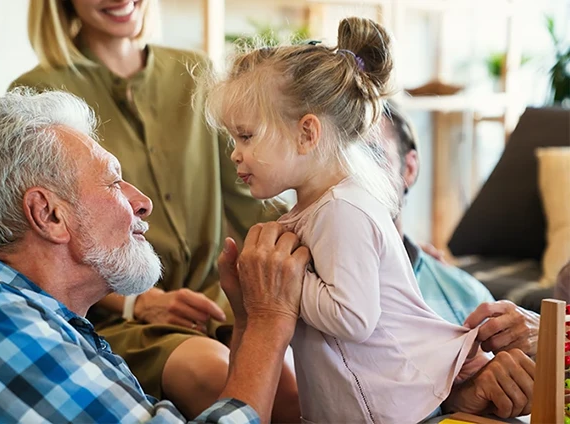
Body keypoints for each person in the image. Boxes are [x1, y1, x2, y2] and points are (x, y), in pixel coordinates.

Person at [0, 88, 306, 422]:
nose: (142, 201)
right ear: (49, 215)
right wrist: (269, 323)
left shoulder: (40, 325)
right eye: (113, 182)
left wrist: (247, 321)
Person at [204, 17, 505, 422]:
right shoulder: (314, 210)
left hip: (391, 412)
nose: (235, 154)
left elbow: (352, 317)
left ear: (306, 134)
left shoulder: (342, 209)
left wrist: (282, 282)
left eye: (246, 136)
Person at [9, 1, 294, 419]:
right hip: (122, 320)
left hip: (218, 302)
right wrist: (137, 303)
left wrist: (384, 243)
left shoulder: (195, 72)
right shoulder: (38, 94)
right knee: (218, 376)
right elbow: (36, 244)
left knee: (299, 387)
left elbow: (253, 199)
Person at [378, 102, 542, 357]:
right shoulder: (301, 284)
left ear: (409, 169)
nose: (354, 179)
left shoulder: (467, 295)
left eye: (374, 157)